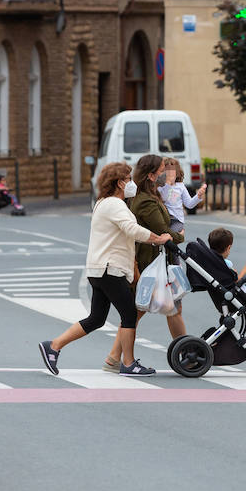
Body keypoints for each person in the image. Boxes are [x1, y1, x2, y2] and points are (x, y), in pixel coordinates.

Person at [38, 161, 171, 377]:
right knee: (129, 314)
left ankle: (53, 346)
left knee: (96, 319)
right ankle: (128, 363)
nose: (131, 183)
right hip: (110, 269)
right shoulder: (115, 205)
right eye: (128, 179)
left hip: (99, 269)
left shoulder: (102, 203)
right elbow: (132, 229)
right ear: (119, 183)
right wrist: (158, 239)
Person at [102, 155, 189, 372]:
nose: (165, 174)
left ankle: (114, 357)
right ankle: (187, 353)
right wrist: (179, 236)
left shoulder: (149, 196)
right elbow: (162, 230)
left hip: (153, 261)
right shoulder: (146, 201)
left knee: (159, 308)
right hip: (150, 262)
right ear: (151, 175)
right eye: (161, 170)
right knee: (144, 310)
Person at [158, 157, 205, 234]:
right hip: (163, 219)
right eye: (167, 171)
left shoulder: (180, 186)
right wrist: (168, 184)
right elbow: (163, 198)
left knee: (172, 237)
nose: (170, 173)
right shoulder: (160, 186)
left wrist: (198, 196)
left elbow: (189, 204)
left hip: (177, 220)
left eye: (173, 171)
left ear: (177, 172)